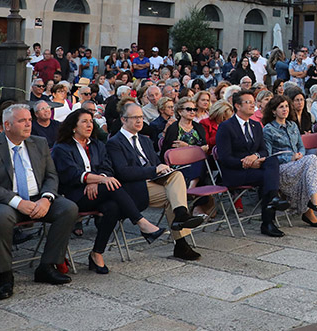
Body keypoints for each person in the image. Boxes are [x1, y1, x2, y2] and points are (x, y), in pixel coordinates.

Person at [0, 104, 79, 300]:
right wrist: (17, 202)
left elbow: (51, 176)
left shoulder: (39, 143)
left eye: (29, 120)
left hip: (37, 197)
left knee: (68, 208)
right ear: (7, 125)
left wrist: (47, 199)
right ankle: (5, 275)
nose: (28, 124)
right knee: (0, 218)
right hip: (3, 201)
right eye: (22, 121)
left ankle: (47, 266)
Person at [51, 110, 166, 273]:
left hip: (99, 190)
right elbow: (71, 174)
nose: (90, 124)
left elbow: (107, 167)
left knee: (113, 207)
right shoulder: (62, 148)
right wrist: (98, 179)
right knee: (113, 185)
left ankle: (96, 253)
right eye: (84, 121)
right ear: (73, 127)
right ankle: (141, 222)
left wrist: (99, 179)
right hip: (75, 195)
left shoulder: (97, 144)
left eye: (91, 121)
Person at [106, 102, 203, 258]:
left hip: (153, 182)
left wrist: (163, 168)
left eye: (141, 117)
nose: (139, 121)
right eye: (134, 118)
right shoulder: (114, 143)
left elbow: (155, 162)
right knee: (175, 196)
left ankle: (181, 217)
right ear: (123, 119)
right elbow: (124, 173)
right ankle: (181, 240)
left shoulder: (144, 140)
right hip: (133, 188)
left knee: (176, 177)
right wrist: (154, 170)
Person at [215, 89, 291, 237]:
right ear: (237, 106)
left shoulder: (256, 126)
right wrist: (246, 162)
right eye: (248, 102)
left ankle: (270, 215)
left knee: (272, 161)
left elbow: (264, 151)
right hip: (235, 172)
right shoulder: (226, 127)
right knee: (269, 178)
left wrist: (255, 156)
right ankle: (269, 219)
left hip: (254, 169)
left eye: (253, 102)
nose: (252, 105)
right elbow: (224, 158)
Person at [261, 95, 317, 227]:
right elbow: (269, 156)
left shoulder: (292, 126)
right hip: (281, 168)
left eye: (286, 106)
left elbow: (301, 147)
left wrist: (300, 155)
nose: (284, 109)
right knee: (312, 160)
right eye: (281, 107)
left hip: (298, 163)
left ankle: (311, 205)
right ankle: (313, 205)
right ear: (273, 111)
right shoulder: (268, 129)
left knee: (310, 162)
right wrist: (289, 158)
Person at [160, 99, 208, 187]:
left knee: (199, 161)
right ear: (180, 112)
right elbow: (170, 151)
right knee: (198, 160)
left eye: (194, 109)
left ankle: (191, 187)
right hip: (179, 164)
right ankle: (191, 189)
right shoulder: (173, 128)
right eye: (189, 109)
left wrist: (187, 146)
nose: (192, 112)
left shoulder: (199, 127)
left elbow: (205, 147)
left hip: (196, 161)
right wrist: (196, 149)